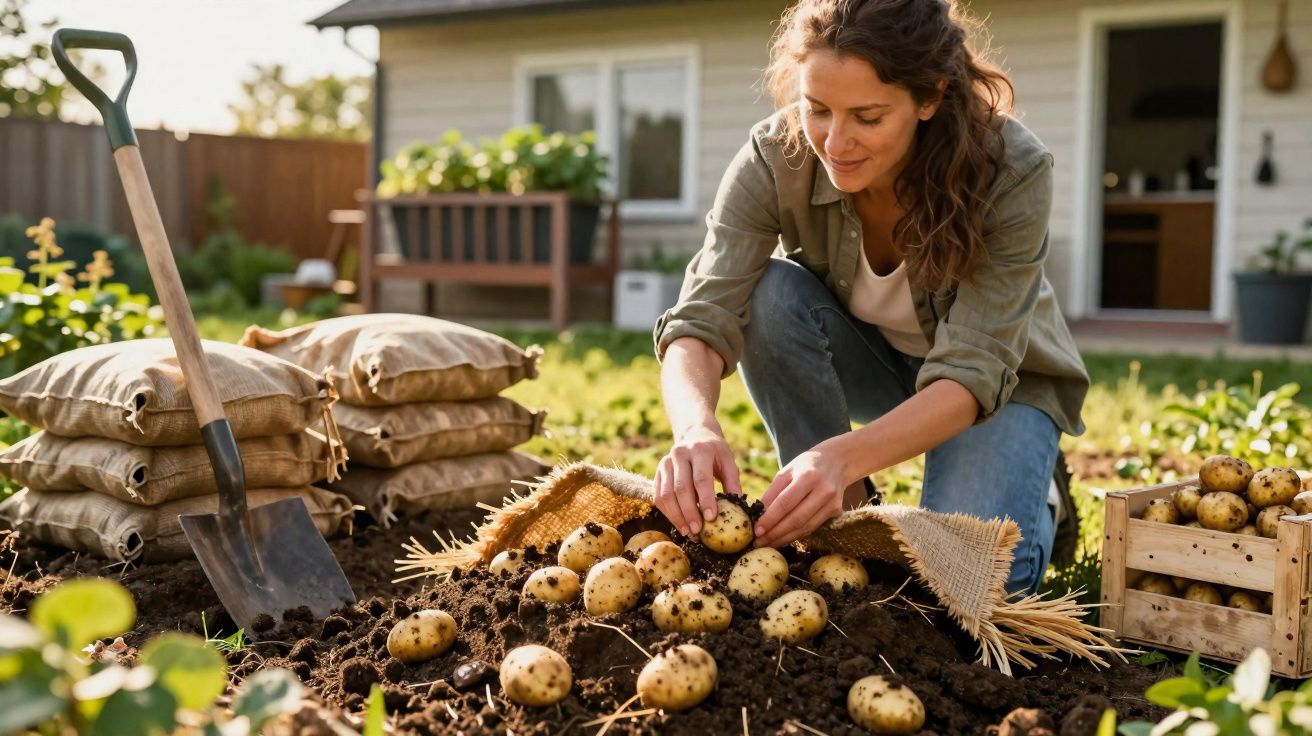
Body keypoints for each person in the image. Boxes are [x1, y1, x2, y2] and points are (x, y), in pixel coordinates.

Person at [650, 0, 1089, 595]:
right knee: (771, 293)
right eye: (818, 109)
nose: (836, 141)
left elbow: (973, 370)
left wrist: (842, 455)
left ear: (930, 98)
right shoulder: (774, 156)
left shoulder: (1011, 168)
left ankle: (1043, 497)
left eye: (868, 116)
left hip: (998, 387)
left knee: (971, 592)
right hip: (877, 362)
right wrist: (695, 427)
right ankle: (844, 521)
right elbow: (702, 315)